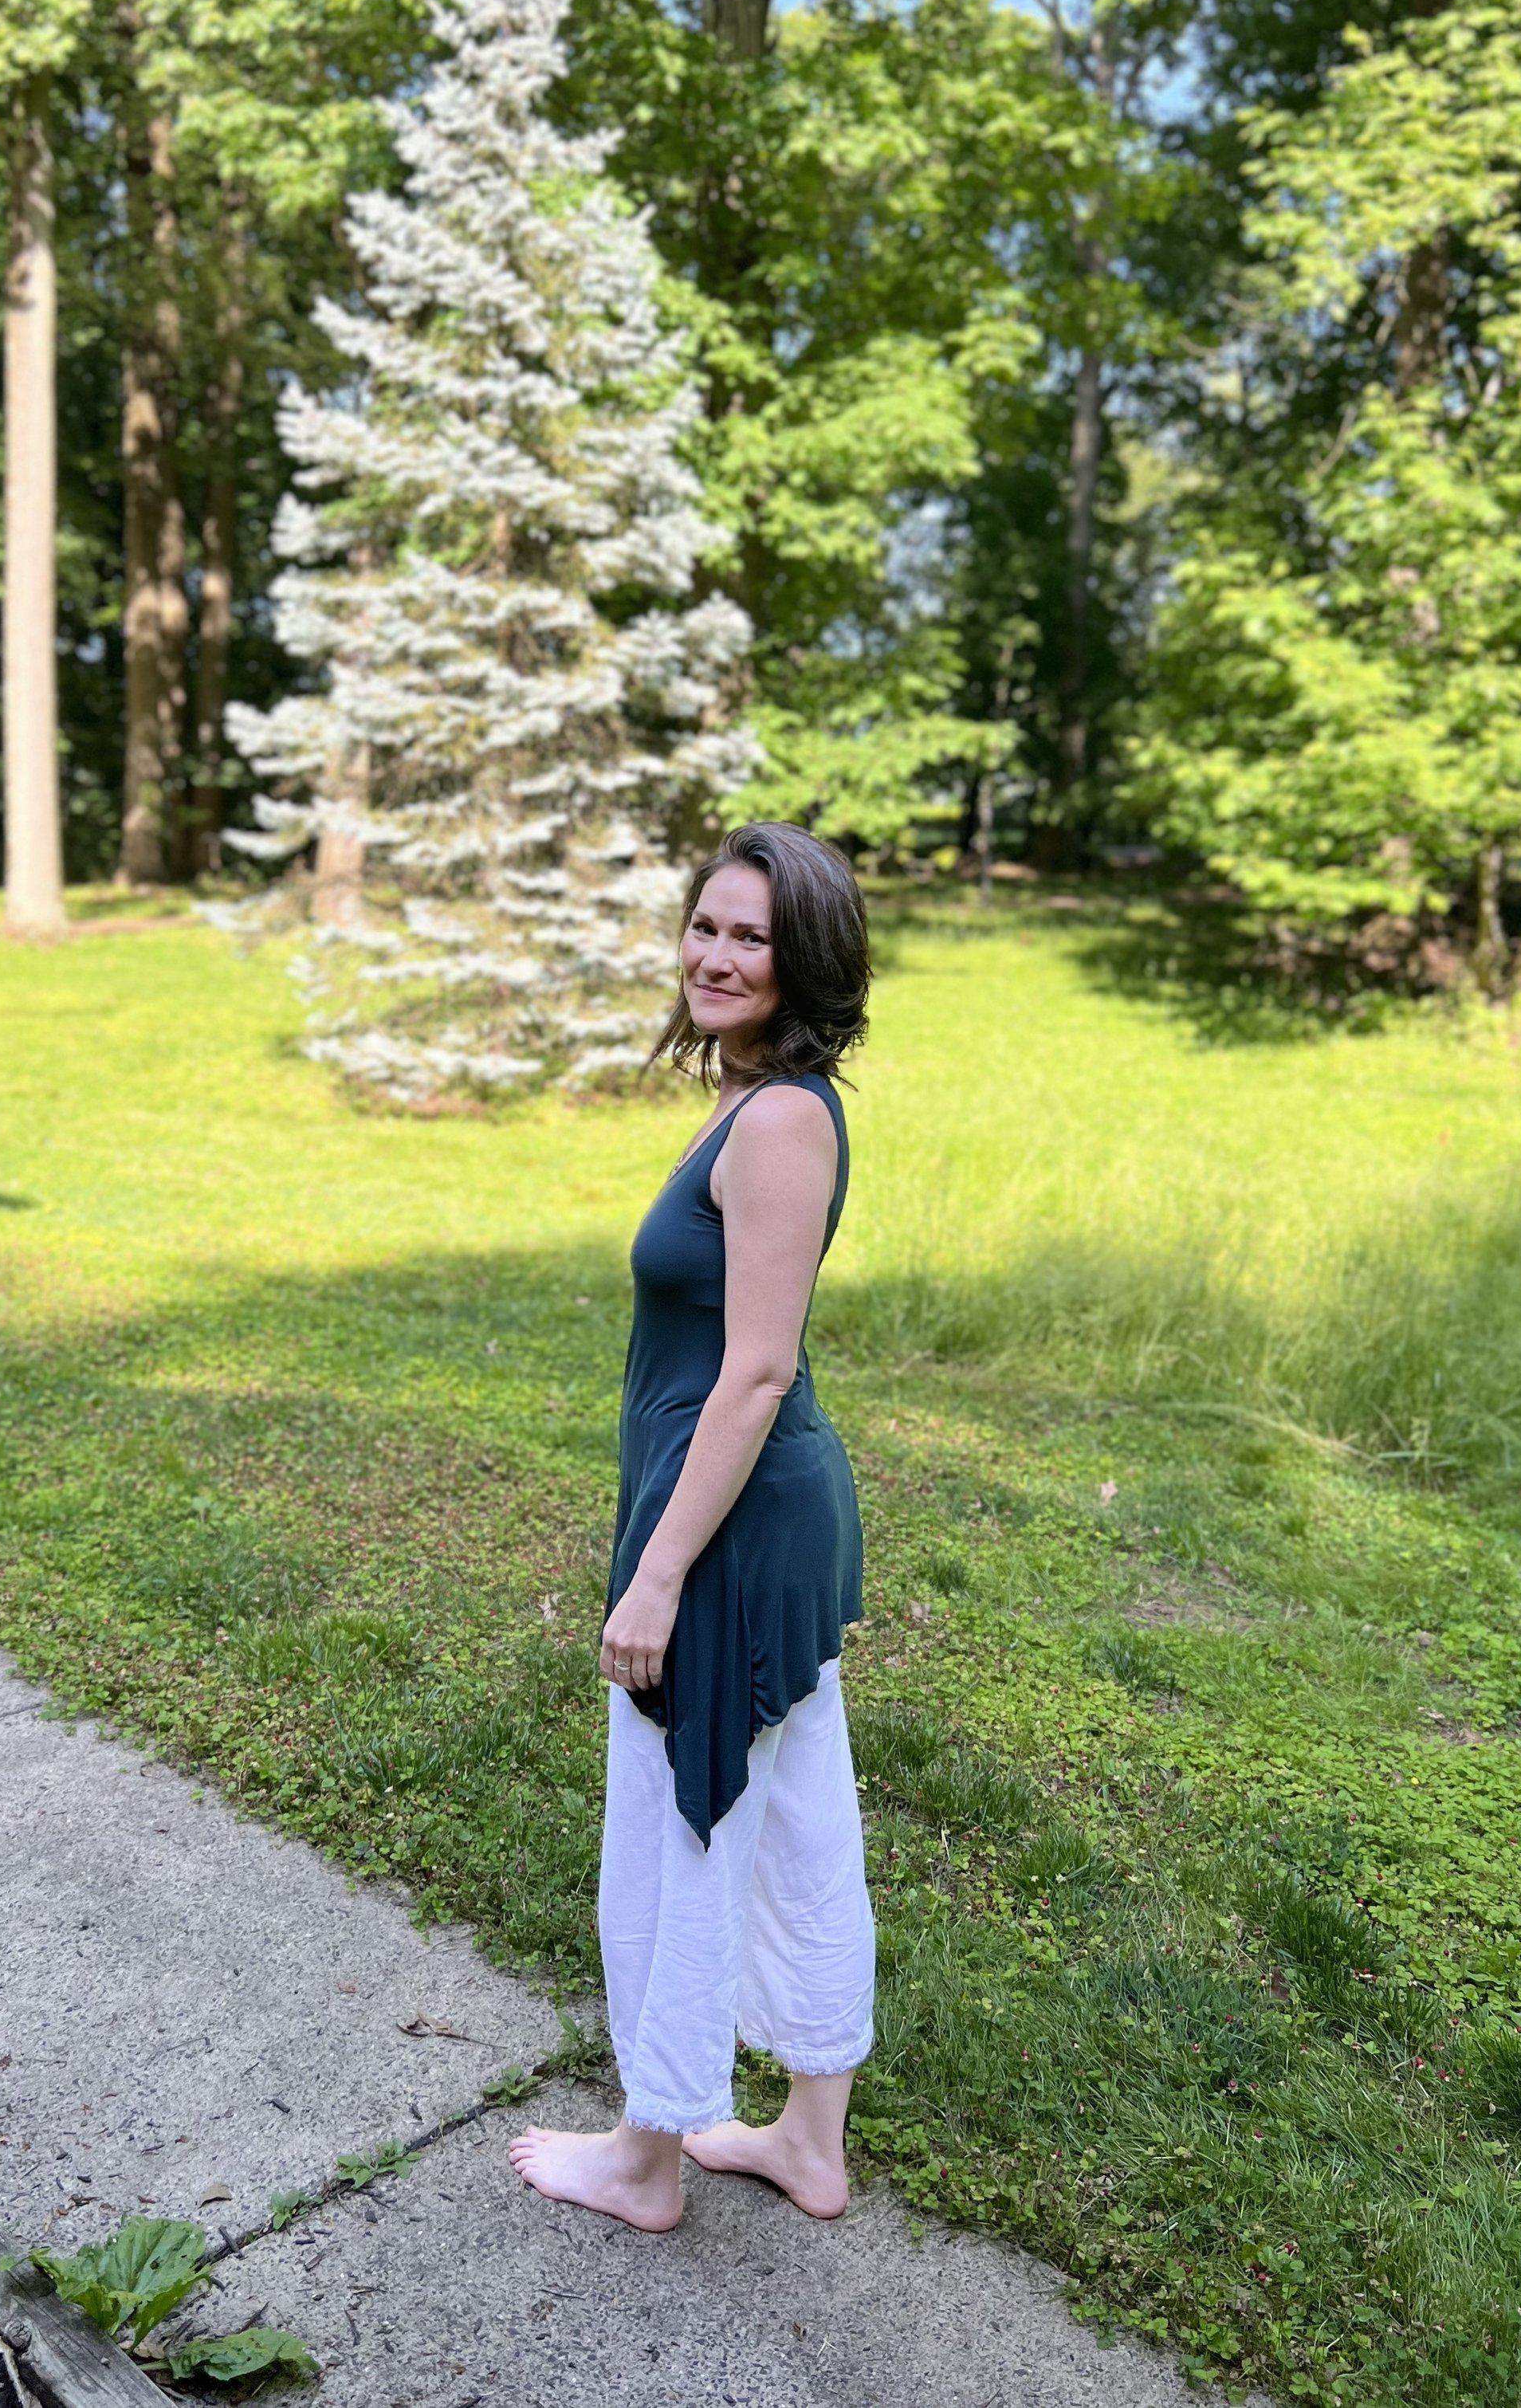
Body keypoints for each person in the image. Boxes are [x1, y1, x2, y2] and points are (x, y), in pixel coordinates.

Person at [509, 821, 875, 2233]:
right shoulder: (757, 1096)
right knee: (795, 1817)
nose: (715, 956)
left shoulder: (778, 1120)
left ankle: (643, 2159)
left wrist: (659, 1573)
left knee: (688, 1830)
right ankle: (808, 2142)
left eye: (751, 937)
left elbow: (757, 1370)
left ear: (805, 962)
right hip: (757, 1509)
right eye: (706, 925)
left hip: (727, 1527)